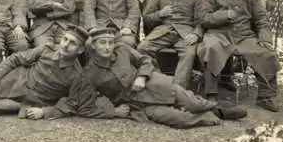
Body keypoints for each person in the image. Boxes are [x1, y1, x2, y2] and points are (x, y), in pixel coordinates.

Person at [0, 25, 130, 120]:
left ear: (79, 50)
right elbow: (16, 58)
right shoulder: (46, 49)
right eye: (65, 39)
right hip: (11, 81)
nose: (65, 45)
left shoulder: (78, 75)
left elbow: (73, 104)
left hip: (22, 101)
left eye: (72, 43)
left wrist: (45, 112)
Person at [85, 28, 247, 129]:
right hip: (138, 104)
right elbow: (92, 100)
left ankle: (219, 110)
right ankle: (211, 116)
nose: (107, 47)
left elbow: (145, 60)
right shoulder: (90, 73)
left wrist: (141, 76)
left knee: (192, 103)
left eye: (110, 42)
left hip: (153, 83)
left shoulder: (122, 49)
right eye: (102, 43)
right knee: (180, 119)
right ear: (93, 45)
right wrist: (114, 111)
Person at [197, 0, 280, 112]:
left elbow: (261, 18)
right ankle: (211, 93)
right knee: (210, 48)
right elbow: (203, 19)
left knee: (266, 53)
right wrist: (223, 15)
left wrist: (264, 37)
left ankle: (265, 96)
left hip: (244, 36)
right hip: (219, 35)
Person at [138, 0, 201, 91]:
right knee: (142, 48)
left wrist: (196, 34)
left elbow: (201, 20)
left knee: (189, 53)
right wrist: (160, 14)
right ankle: (160, 81)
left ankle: (178, 90)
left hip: (185, 33)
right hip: (163, 31)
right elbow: (146, 17)